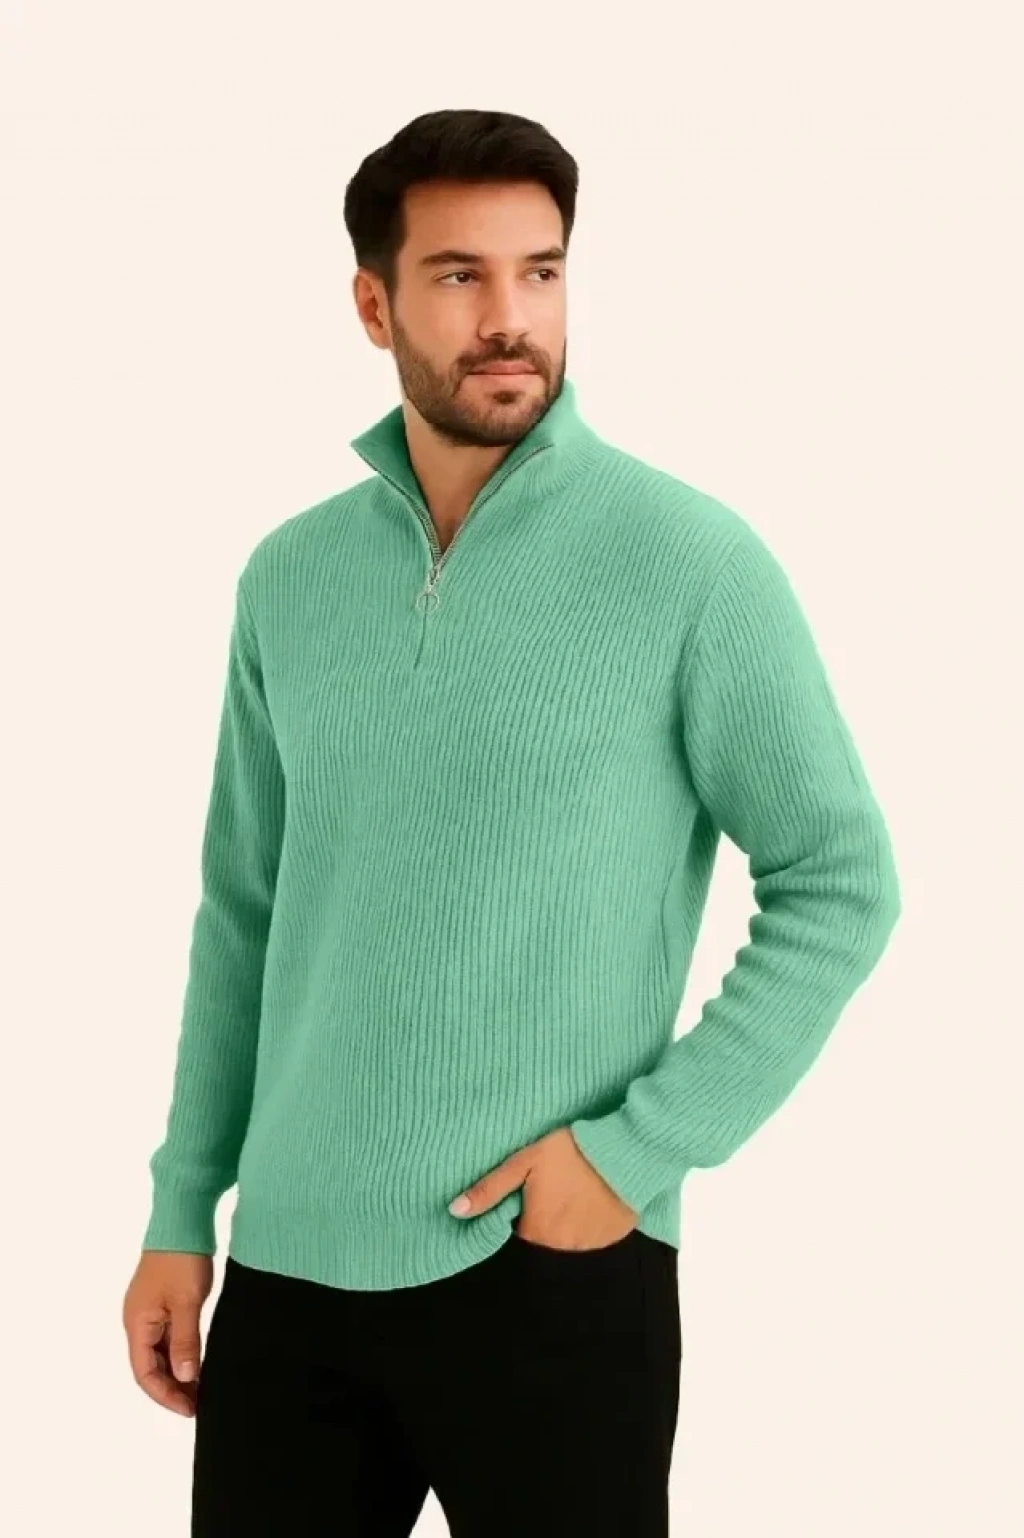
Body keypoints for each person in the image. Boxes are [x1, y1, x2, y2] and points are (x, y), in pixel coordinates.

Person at [122, 107, 901, 1536]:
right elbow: (244, 910)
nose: (510, 318)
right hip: (289, 1269)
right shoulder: (289, 578)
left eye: (540, 272)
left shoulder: (689, 561)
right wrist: (185, 1208)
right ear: (374, 306)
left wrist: (634, 1154)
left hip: (552, 1268)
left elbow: (841, 878)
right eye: (459, 275)